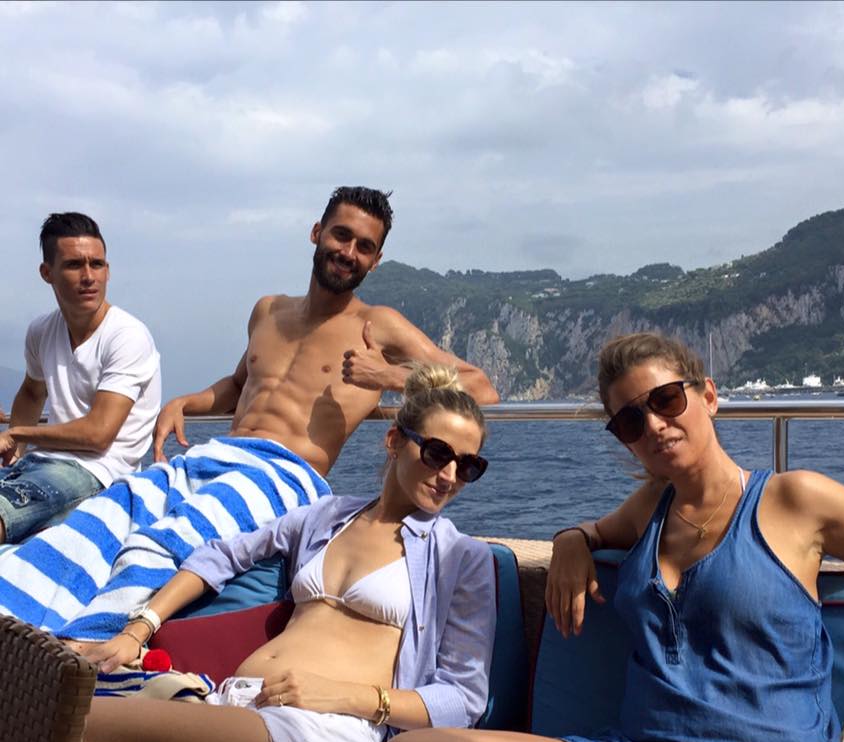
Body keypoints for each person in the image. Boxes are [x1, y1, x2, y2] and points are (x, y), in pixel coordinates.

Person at [376, 332, 844, 742]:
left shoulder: (795, 501)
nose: (653, 425)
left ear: (708, 396)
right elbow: (595, 530)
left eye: (666, 400)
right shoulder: (651, 506)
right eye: (630, 420)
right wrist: (572, 541)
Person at [0, 186, 497, 641]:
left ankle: (83, 648)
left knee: (166, 540)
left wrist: (388, 376)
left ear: (376, 259)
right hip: (215, 455)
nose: (349, 252)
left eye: (364, 246)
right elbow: (239, 385)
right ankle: (14, 622)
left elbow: (481, 386)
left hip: (284, 474)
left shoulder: (378, 325)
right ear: (317, 232)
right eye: (341, 235)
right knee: (106, 513)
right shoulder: (268, 310)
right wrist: (185, 402)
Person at [57, 364, 497, 742]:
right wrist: (138, 629)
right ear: (394, 440)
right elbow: (222, 555)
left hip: (319, 735)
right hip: (235, 705)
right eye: (437, 453)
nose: (449, 476)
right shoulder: (327, 516)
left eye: (468, 466)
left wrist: (344, 695)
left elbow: (462, 699)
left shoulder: (460, 557)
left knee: (54, 720)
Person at [0, 212, 160, 544]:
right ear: (47, 273)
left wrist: (16, 434)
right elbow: (32, 392)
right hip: (40, 462)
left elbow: (97, 435)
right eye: (74, 265)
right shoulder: (41, 331)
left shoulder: (127, 335)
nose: (89, 276)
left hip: (97, 472)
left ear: (107, 270)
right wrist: (16, 452)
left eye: (97, 264)